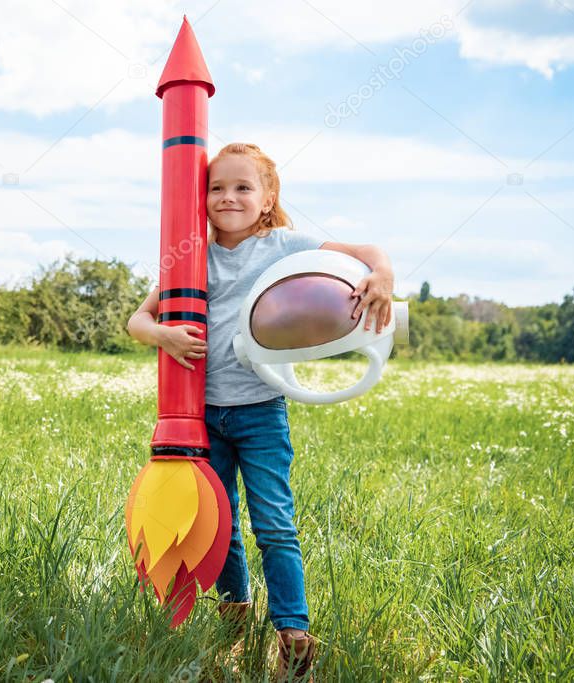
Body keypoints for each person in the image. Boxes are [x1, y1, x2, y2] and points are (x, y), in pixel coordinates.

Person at [127, 142, 393, 681]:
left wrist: (382, 272)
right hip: (203, 417)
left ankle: (293, 636)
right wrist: (163, 336)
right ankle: (233, 620)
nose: (228, 197)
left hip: (260, 412)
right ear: (200, 197)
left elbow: (368, 250)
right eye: (217, 187)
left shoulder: (281, 244)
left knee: (273, 523)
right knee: (219, 524)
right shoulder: (192, 254)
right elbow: (137, 319)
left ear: (268, 198)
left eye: (243, 187)